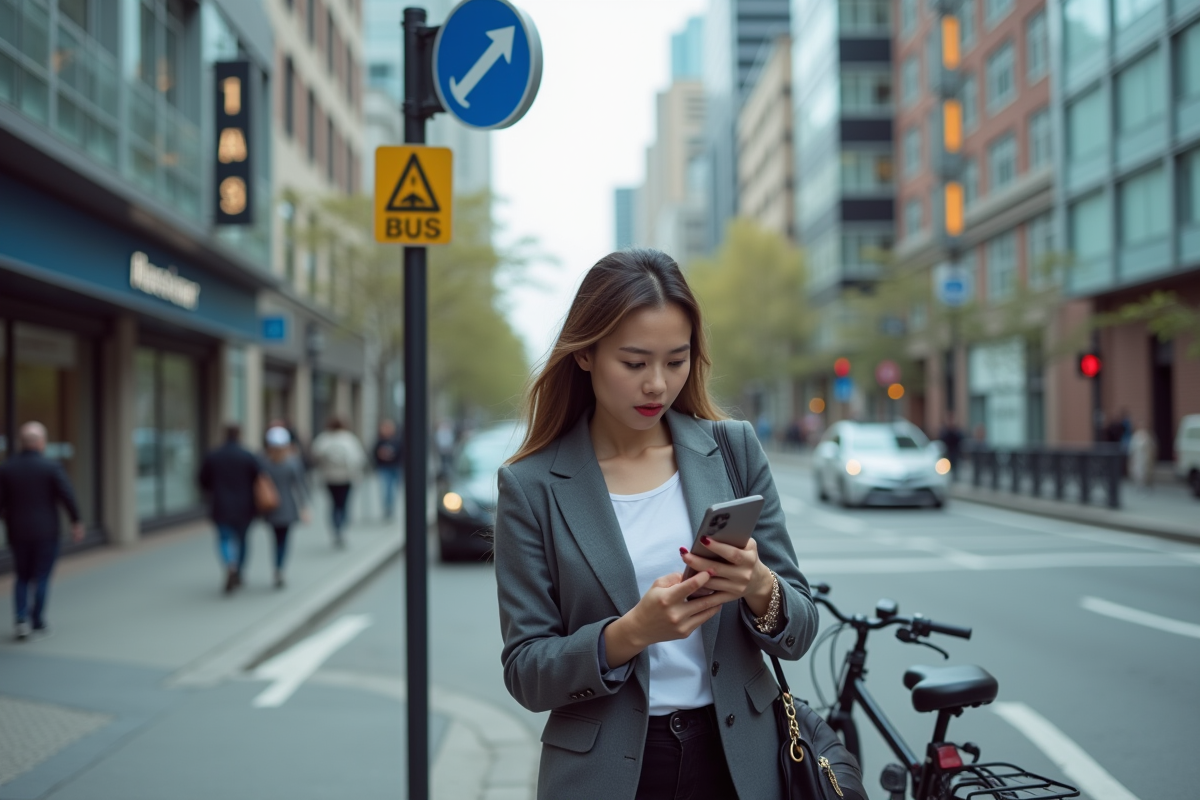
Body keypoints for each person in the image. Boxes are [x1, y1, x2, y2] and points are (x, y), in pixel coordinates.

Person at [493, 249, 819, 800]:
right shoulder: (531, 485)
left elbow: (801, 628)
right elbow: (526, 671)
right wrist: (632, 633)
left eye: (676, 360)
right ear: (586, 355)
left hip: (740, 760)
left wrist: (760, 587)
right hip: (606, 773)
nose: (657, 385)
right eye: (635, 362)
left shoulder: (732, 450)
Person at [0, 422, 84, 640]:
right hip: (46, 532)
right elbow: (67, 496)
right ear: (40, 442)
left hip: (17, 532)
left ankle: (20, 619)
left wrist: (8, 519)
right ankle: (37, 620)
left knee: (22, 576)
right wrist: (77, 521)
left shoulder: (8, 468)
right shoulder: (51, 467)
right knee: (42, 576)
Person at [199, 424, 260, 593]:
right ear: (239, 435)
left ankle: (230, 565)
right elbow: (259, 479)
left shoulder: (213, 456)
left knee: (225, 538)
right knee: (242, 540)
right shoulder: (247, 456)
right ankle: (238, 571)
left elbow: (202, 480)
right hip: (245, 506)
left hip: (221, 504)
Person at [260, 426, 311, 588]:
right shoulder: (292, 463)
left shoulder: (265, 463)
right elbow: (300, 485)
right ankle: (280, 568)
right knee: (284, 540)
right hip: (288, 506)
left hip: (271, 507)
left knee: (275, 539)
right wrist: (305, 506)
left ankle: (277, 566)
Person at [311, 416, 367, 548]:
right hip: (346, 477)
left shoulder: (323, 439)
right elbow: (359, 458)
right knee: (344, 504)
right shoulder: (349, 439)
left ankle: (336, 527)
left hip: (329, 477)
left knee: (333, 504)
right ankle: (342, 528)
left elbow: (314, 455)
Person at [372, 419, 404, 520]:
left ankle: (391, 508)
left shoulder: (397, 440)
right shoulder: (380, 441)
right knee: (386, 489)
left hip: (394, 467)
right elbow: (374, 454)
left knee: (393, 489)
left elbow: (401, 453)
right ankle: (387, 508)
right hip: (384, 468)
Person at [1128, 424, 1157, 492]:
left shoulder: (1148, 436)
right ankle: (1139, 485)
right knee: (1138, 471)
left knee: (1146, 471)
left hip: (1146, 457)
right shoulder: (1136, 436)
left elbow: (1153, 447)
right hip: (1138, 457)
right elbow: (1132, 448)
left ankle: (1146, 485)